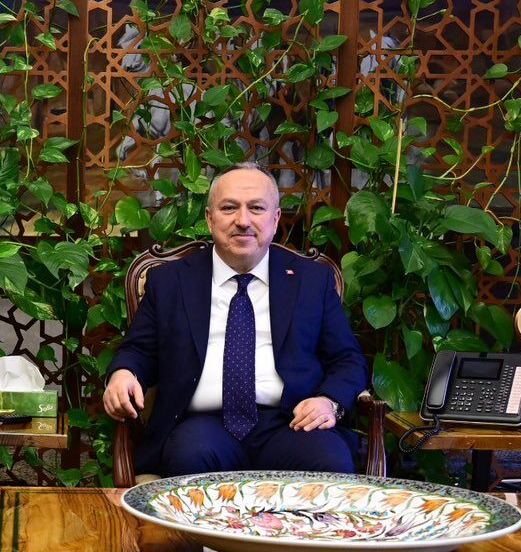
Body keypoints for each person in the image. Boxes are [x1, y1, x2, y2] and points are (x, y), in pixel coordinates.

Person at [103, 163, 368, 476]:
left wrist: (328, 401)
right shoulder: (171, 281)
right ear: (210, 218)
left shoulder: (311, 280)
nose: (243, 221)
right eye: (229, 208)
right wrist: (124, 373)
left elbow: (348, 359)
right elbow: (139, 350)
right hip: (203, 426)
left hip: (291, 423)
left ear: (275, 219)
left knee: (330, 461)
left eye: (256, 208)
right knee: (189, 456)